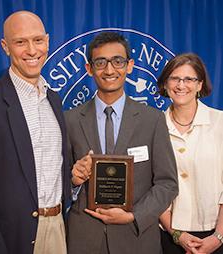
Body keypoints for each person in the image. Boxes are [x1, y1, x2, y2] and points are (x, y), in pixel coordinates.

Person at [64, 31, 178, 254]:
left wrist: (135, 215)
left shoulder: (152, 119)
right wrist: (73, 181)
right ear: (89, 68)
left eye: (117, 61)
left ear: (130, 65)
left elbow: (168, 183)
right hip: (84, 239)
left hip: (136, 239)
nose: (109, 70)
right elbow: (55, 183)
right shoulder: (69, 120)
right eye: (100, 62)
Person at [0, 11, 70, 254]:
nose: (31, 50)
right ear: (5, 47)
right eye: (20, 42)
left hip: (59, 229)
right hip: (11, 238)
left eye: (38, 40)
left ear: (47, 41)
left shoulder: (54, 100)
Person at [158, 53, 223, 254]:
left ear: (200, 85)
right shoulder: (153, 126)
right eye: (174, 78)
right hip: (169, 235)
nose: (181, 85)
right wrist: (177, 234)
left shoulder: (220, 122)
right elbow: (150, 187)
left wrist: (218, 237)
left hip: (216, 235)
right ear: (166, 84)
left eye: (189, 79)